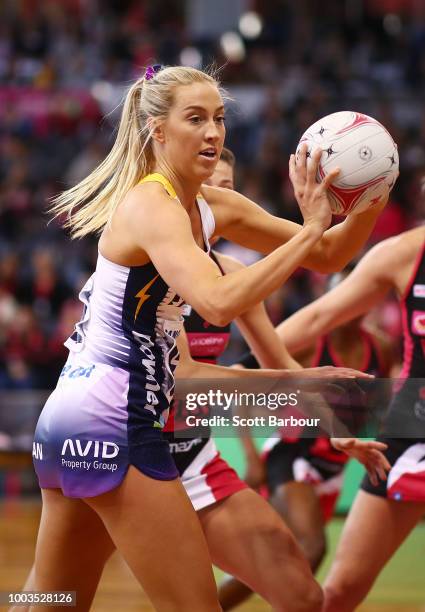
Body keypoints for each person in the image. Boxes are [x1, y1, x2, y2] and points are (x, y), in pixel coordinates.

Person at [29, 64, 390, 611]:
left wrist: (370, 195)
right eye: (195, 119)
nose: (213, 133)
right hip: (116, 420)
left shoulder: (210, 207)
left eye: (219, 118)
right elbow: (218, 303)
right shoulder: (152, 204)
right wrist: (314, 226)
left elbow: (329, 256)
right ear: (158, 131)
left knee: (51, 600)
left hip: (72, 421)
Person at [217, 266, 393, 610]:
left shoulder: (381, 349)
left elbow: (379, 406)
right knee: (312, 547)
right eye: (341, 297)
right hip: (292, 453)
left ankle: (207, 605)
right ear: (329, 299)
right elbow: (242, 382)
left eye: (358, 298)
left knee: (279, 558)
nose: (349, 305)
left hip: (336, 464)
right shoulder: (308, 343)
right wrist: (251, 457)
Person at [275, 225, 425, 611]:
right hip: (405, 438)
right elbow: (284, 338)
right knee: (336, 584)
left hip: (340, 454)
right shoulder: (402, 254)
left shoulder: (377, 345)